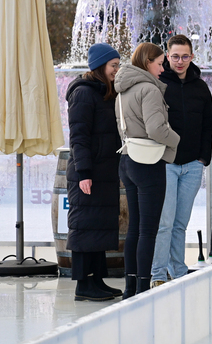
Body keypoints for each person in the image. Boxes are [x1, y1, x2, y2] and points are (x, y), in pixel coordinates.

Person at [115, 43, 181, 299]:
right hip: (149, 163)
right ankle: (144, 288)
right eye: (159, 63)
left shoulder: (122, 89)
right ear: (146, 62)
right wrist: (177, 139)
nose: (162, 68)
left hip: (128, 160)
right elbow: (156, 129)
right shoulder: (149, 90)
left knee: (134, 228)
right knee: (148, 230)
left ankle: (131, 286)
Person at [151, 34, 212, 287]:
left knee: (180, 223)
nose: (180, 61)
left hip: (192, 165)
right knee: (164, 223)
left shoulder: (200, 86)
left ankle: (177, 271)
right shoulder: (158, 84)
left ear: (192, 57)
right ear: (167, 56)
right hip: (165, 163)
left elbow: (208, 124)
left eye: (185, 56)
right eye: (175, 56)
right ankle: (157, 274)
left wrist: (203, 158)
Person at [66, 43, 123, 302]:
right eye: (113, 65)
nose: (117, 70)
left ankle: (97, 279)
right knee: (84, 226)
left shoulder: (105, 92)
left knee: (97, 227)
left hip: (103, 169)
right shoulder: (83, 94)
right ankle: (83, 285)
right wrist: (84, 172)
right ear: (101, 67)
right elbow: (79, 136)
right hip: (88, 170)